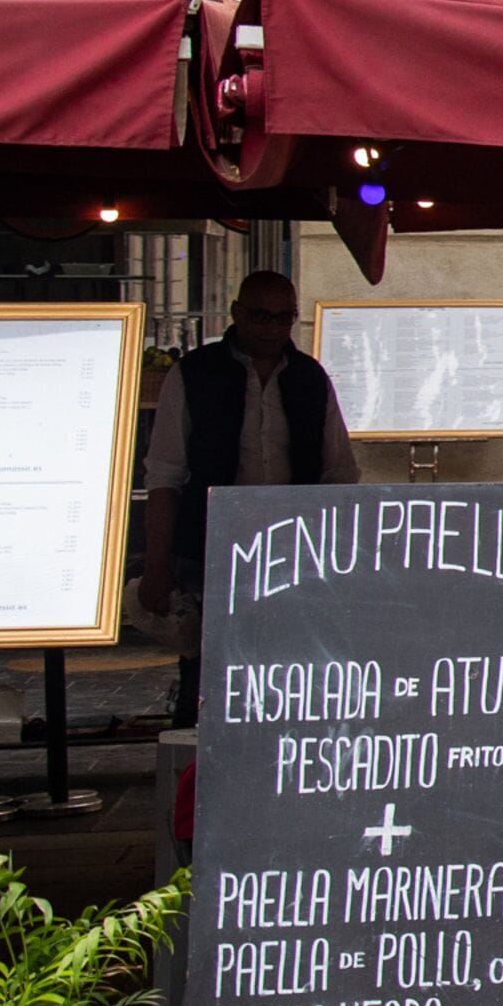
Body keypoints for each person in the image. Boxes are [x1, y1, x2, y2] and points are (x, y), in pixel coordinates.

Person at [139, 269, 359, 726]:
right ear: (238, 314)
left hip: (292, 552)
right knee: (207, 669)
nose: (273, 328)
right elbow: (164, 473)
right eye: (262, 316)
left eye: (285, 318)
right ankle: (197, 767)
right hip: (208, 550)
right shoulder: (194, 374)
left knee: (287, 665)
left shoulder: (310, 378)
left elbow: (338, 473)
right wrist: (156, 564)